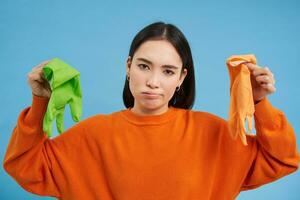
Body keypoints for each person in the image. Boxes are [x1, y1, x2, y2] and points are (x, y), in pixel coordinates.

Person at [3, 21, 300, 200]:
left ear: (181, 78)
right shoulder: (92, 135)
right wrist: (39, 100)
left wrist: (259, 103)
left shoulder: (214, 133)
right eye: (144, 66)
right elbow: (24, 166)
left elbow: (283, 159)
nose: (153, 82)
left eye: (168, 71)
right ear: (128, 66)